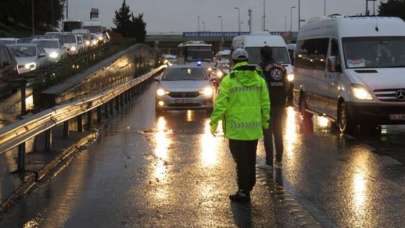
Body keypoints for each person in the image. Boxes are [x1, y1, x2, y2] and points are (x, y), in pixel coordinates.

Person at [210, 48, 270, 203]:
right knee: (250, 159)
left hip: (236, 129)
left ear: (234, 61)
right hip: (253, 128)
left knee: (240, 161)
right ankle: (248, 185)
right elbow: (265, 103)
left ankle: (243, 191)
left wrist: (214, 122)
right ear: (247, 60)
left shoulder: (229, 80)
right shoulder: (259, 79)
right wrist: (265, 121)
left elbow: (221, 104)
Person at [260, 46, 288, 168]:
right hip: (280, 103)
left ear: (262, 55)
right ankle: (279, 160)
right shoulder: (281, 67)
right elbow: (287, 84)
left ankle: (269, 162)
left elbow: (260, 85)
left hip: (267, 103)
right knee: (278, 131)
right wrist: (283, 97)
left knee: (267, 132)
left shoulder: (261, 67)